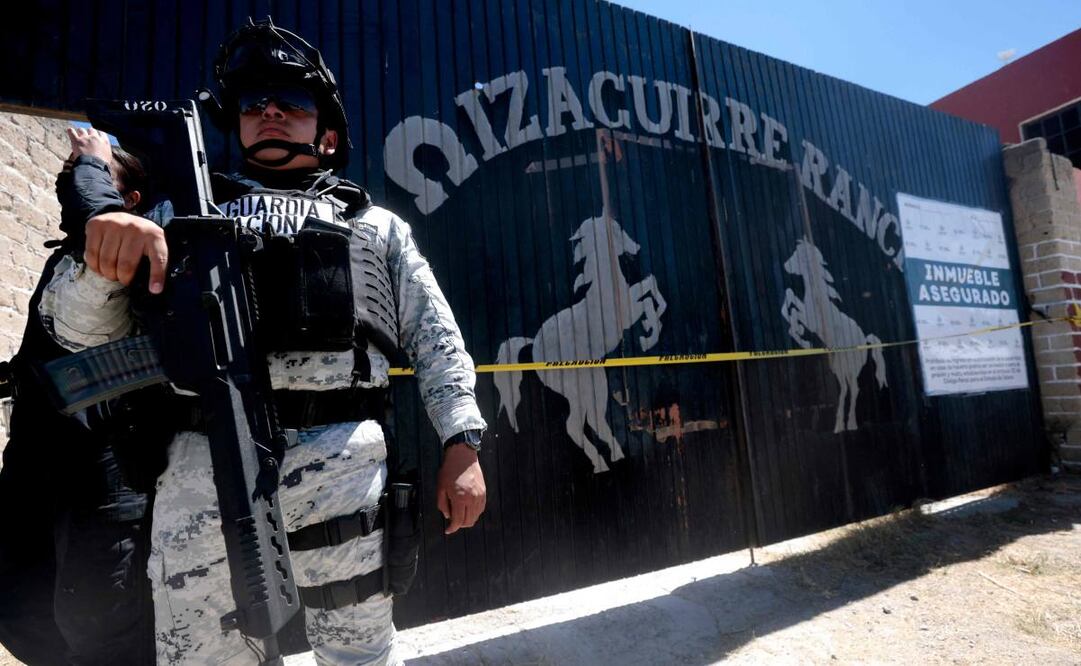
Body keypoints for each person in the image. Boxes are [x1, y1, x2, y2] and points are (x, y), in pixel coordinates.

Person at [38, 17, 488, 665]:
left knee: (356, 652)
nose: (270, 111)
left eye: (292, 102)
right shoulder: (180, 217)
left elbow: (436, 339)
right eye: (254, 103)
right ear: (236, 121)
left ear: (326, 133)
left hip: (344, 476)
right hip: (204, 474)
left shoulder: (374, 226)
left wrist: (462, 442)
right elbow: (77, 332)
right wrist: (100, 252)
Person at [0, 129, 163, 665]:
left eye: (85, 170)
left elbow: (93, 318)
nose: (71, 176)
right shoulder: (66, 257)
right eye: (69, 168)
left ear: (128, 199)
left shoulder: (131, 249)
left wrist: (93, 164)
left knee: (100, 624)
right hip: (35, 459)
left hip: (102, 468)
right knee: (21, 608)